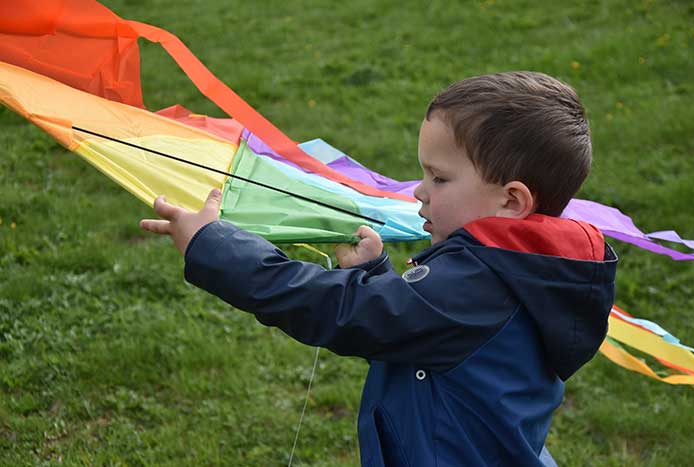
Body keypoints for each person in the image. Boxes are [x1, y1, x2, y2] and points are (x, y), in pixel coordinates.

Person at [140, 71, 617, 466]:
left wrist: (213, 246)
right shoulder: (526, 269)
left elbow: (334, 307)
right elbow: (425, 334)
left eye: (440, 178)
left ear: (511, 200)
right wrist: (375, 278)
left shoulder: (474, 287)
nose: (418, 192)